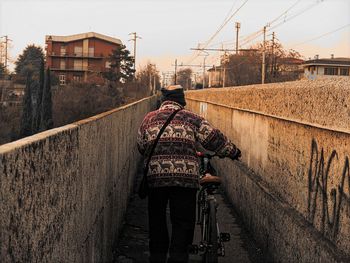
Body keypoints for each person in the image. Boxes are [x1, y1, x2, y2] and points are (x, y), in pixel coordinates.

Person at [137, 85, 241, 263]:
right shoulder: (193, 119)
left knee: (157, 220)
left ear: (163, 101)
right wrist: (233, 152)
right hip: (185, 180)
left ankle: (158, 258)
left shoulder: (149, 119)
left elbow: (141, 145)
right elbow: (214, 139)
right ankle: (178, 258)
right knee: (182, 222)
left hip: (156, 179)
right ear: (182, 101)